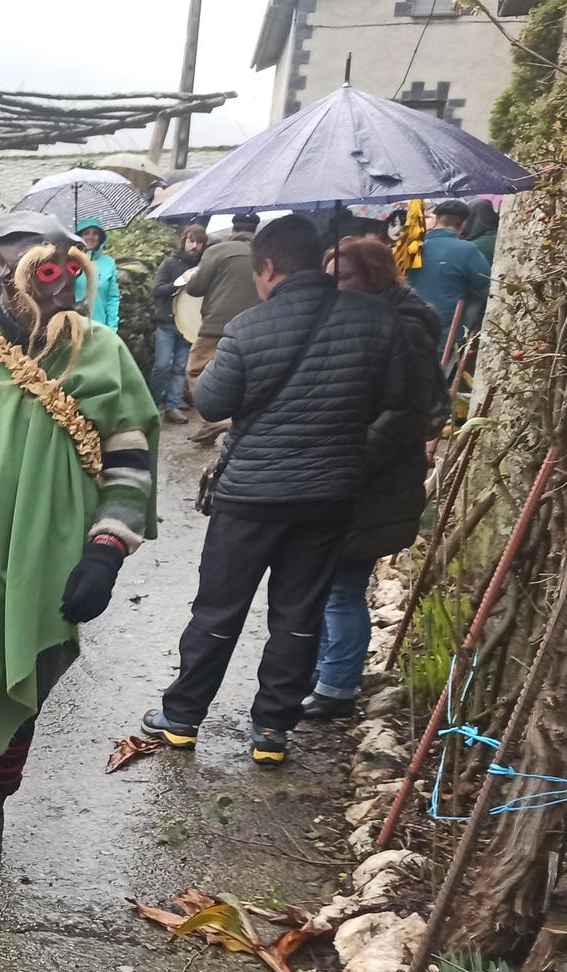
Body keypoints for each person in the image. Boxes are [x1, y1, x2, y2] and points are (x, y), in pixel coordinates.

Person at [0, 226, 159, 904]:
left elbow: (131, 463)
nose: (58, 288)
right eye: (41, 274)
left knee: (20, 698)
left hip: (51, 566)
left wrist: (107, 550)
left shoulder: (102, 355)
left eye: (69, 275)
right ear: (6, 277)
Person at [144, 214, 433, 764]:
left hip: (252, 495)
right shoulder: (378, 321)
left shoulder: (251, 328)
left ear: (270, 267)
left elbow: (212, 403)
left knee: (218, 609)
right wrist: (348, 437)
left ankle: (181, 718)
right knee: (299, 613)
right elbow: (404, 397)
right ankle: (272, 731)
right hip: (328, 496)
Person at [301, 237, 450, 718]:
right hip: (336, 472)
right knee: (321, 581)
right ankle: (322, 670)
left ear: (374, 277)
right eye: (328, 276)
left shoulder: (404, 327)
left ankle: (337, 687)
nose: (333, 286)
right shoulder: (349, 319)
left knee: (343, 585)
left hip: (370, 479)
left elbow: (408, 412)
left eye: (342, 276)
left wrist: (352, 458)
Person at [183, 211, 262, 445]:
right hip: (253, 327)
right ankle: (215, 427)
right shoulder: (263, 254)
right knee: (243, 378)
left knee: (196, 371)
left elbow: (195, 289)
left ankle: (217, 420)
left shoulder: (217, 251)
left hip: (216, 326)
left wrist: (192, 277)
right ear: (254, 230)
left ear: (232, 229)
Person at [407, 199, 493, 343]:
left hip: (411, 332)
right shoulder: (466, 250)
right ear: (464, 223)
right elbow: (485, 283)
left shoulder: (412, 250)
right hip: (446, 336)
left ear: (436, 220)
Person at [151, 222, 209, 422]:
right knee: (162, 365)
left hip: (189, 326)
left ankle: (172, 407)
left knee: (179, 367)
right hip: (167, 323)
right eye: (192, 240)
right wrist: (179, 282)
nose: (195, 246)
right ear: (184, 240)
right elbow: (157, 290)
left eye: (200, 242)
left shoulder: (204, 266)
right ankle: (151, 404)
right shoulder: (170, 263)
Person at [74, 217, 121, 330]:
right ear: (79, 236)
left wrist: (112, 327)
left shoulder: (108, 263)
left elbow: (112, 298)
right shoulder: (69, 261)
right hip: (73, 328)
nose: (90, 237)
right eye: (86, 233)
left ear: (100, 238)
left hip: (100, 328)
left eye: (95, 233)